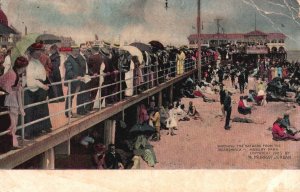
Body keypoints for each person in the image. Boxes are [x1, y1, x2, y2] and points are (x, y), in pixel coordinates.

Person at [24, 42, 52, 138]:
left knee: (39, 109)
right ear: (32, 52)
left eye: (40, 51)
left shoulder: (38, 62)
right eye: (37, 51)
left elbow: (42, 75)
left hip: (39, 90)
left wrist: (45, 81)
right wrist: (42, 86)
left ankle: (38, 129)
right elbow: (31, 80)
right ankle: (30, 132)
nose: (39, 53)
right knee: (33, 111)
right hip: (34, 91)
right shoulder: (30, 63)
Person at [0, 56, 28, 148]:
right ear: (23, 67)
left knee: (13, 122)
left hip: (12, 100)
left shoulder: (14, 73)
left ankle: (12, 142)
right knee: (12, 123)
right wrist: (15, 88)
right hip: (10, 100)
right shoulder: (12, 74)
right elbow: (7, 88)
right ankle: (12, 143)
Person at [64, 45, 86, 117]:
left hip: (78, 81)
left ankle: (70, 112)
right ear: (72, 51)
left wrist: (83, 76)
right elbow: (69, 71)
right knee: (70, 97)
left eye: (77, 50)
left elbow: (80, 68)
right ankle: (68, 113)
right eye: (75, 50)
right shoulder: (69, 59)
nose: (77, 51)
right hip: (72, 81)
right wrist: (76, 77)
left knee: (72, 97)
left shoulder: (77, 58)